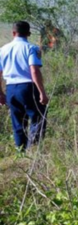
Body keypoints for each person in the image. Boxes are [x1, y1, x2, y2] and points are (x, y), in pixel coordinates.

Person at [0, 21, 49, 151]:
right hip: (27, 88)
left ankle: (20, 151)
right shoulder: (31, 48)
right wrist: (42, 92)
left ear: (13, 33)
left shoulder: (2, 50)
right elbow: (34, 70)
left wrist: (0, 93)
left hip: (10, 88)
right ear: (28, 33)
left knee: (18, 122)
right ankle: (33, 149)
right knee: (37, 117)